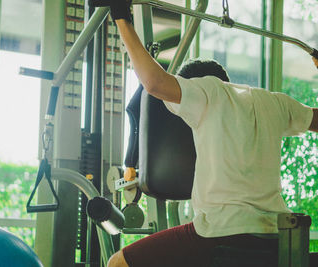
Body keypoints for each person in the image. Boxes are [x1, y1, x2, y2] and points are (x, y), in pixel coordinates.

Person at [89, 1, 318, 266]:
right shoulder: (275, 102)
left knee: (118, 262)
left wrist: (121, 18)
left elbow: (154, 83)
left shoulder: (206, 90)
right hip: (277, 235)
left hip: (220, 231)